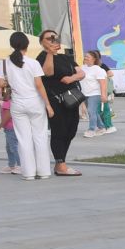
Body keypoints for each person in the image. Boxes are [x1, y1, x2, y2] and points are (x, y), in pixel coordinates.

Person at [3, 31, 53, 180]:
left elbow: (0, 83)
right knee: (40, 136)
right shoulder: (33, 63)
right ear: (27, 44)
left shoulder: (4, 63)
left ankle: (28, 173)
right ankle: (43, 171)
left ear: (12, 45)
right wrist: (48, 105)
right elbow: (39, 85)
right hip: (35, 103)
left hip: (17, 103)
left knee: (24, 139)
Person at [37, 30, 85, 176]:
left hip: (71, 98)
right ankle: (60, 164)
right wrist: (50, 53)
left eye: (54, 37)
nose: (53, 40)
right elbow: (48, 73)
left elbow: (81, 73)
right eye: (49, 38)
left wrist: (72, 78)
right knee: (59, 131)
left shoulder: (65, 57)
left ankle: (61, 162)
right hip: (55, 99)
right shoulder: (42, 57)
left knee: (71, 130)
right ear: (42, 42)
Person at [80, 50, 112, 137]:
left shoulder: (98, 70)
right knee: (94, 112)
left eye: (88, 57)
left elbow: (103, 83)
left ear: (94, 59)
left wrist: (103, 95)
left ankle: (91, 130)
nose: (85, 58)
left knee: (91, 111)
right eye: (85, 56)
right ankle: (101, 128)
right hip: (85, 94)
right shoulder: (82, 67)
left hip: (95, 94)